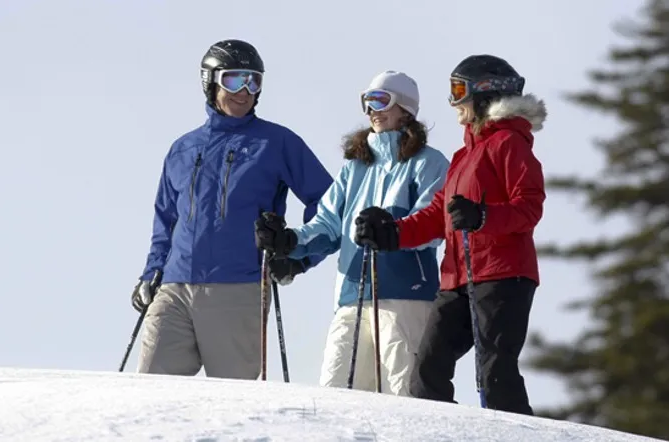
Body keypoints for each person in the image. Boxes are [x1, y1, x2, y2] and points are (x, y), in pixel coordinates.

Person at [351, 55, 547, 414]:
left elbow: (530, 207)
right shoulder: (463, 156)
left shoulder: (509, 144)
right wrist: (391, 234)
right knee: (427, 370)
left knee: (495, 374)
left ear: (485, 94)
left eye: (459, 91)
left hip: (503, 275)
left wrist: (483, 216)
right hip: (457, 277)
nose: (454, 102)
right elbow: (436, 216)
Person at [130, 39, 334, 379]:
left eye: (254, 81)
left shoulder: (276, 142)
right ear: (209, 82)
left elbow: (329, 205)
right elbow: (165, 221)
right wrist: (152, 271)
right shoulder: (182, 148)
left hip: (239, 289)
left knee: (232, 402)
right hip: (175, 288)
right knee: (152, 392)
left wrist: (297, 255)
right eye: (233, 80)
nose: (245, 91)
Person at [254, 71, 450, 395]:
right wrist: (289, 241)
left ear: (406, 109)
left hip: (405, 296)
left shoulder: (428, 163)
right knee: (336, 394)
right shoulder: (355, 167)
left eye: (381, 100)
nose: (372, 109)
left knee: (403, 394)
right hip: (351, 298)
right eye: (367, 101)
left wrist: (391, 230)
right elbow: (328, 225)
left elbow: (433, 225)